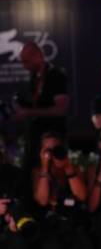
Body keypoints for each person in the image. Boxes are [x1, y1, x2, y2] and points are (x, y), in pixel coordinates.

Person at [32, 131, 101, 249]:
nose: (52, 153)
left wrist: (67, 167)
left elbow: (81, 196)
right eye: (48, 149)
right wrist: (46, 168)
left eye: (56, 148)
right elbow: (41, 199)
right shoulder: (37, 172)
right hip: (51, 226)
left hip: (75, 224)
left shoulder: (74, 168)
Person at [13, 42, 69, 174]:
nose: (24, 66)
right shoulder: (34, 77)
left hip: (52, 140)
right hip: (34, 140)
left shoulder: (56, 75)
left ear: (37, 56)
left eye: (26, 61)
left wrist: (28, 112)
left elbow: (61, 109)